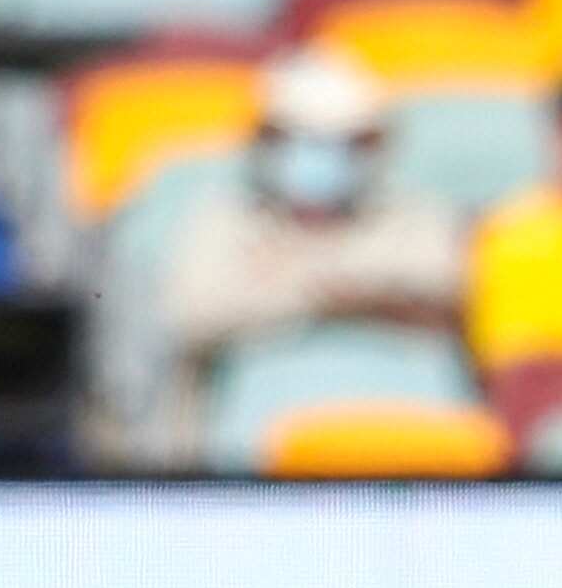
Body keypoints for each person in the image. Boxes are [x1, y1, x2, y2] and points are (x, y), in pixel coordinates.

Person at [159, 46, 465, 459]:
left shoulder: (417, 216)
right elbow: (194, 314)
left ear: (375, 146)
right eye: (301, 139)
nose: (322, 155)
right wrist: (350, 298)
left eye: (345, 142)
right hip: (252, 452)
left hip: (410, 446)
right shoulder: (224, 219)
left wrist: (288, 284)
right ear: (266, 140)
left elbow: (444, 301)